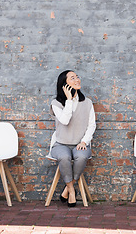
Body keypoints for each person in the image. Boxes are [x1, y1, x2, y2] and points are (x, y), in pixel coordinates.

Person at [49, 70, 96, 207]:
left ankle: (67, 189)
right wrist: (69, 100)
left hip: (80, 144)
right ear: (64, 84)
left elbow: (92, 125)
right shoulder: (56, 103)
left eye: (77, 77)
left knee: (81, 157)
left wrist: (84, 141)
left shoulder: (87, 103)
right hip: (60, 144)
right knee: (64, 157)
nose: (77, 80)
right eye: (72, 78)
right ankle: (71, 190)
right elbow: (64, 120)